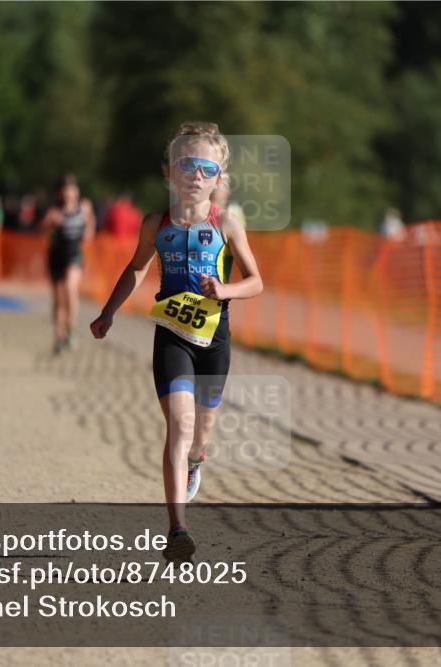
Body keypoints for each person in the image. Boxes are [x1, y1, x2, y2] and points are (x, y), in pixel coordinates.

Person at [89, 122, 263, 562]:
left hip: (214, 338)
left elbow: (257, 281)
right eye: (187, 165)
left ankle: (197, 460)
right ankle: (177, 528)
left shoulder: (227, 223)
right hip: (172, 335)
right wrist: (108, 312)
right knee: (180, 426)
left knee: (200, 434)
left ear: (217, 178)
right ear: (170, 172)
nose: (195, 175)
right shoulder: (156, 223)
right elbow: (135, 269)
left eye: (206, 168)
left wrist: (224, 291)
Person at [42, 174, 96, 354]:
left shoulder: (84, 207)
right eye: (65, 191)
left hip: (75, 254)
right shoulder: (54, 210)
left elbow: (91, 223)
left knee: (70, 288)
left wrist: (88, 231)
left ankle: (71, 329)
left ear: (77, 191)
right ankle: (59, 336)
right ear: (60, 193)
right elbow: (41, 230)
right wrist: (49, 224)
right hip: (57, 255)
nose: (69, 195)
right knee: (58, 299)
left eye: (72, 191)